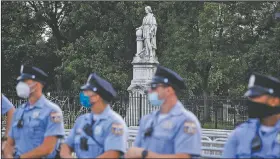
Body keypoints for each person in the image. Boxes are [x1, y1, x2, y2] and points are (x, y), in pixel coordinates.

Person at [125, 65, 202, 158]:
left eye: (154, 87)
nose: (149, 91)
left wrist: (145, 154)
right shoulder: (147, 120)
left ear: (169, 90)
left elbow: (183, 157)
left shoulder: (186, 121)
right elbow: (134, 152)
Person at [60, 73, 128, 158]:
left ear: (96, 97)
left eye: (86, 92)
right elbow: (66, 146)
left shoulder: (115, 123)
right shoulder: (81, 121)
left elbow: (112, 154)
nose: (83, 95)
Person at [3, 65, 65, 158]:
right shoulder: (19, 112)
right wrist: (8, 156)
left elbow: (48, 148)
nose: (21, 85)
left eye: (25, 81)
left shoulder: (52, 111)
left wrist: (21, 158)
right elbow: (9, 144)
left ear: (37, 84)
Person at [222, 73, 280, 158]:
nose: (251, 101)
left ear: (274, 100)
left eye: (255, 96)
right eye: (250, 97)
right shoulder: (239, 134)